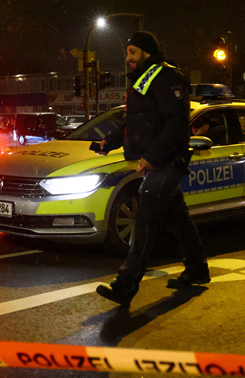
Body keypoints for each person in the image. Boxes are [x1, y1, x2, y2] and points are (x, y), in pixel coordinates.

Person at [95, 31, 210, 307]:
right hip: (158, 160)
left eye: (132, 52)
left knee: (145, 220)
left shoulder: (168, 77)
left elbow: (176, 123)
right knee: (178, 218)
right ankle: (197, 269)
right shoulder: (144, 81)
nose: (128, 58)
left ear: (147, 53)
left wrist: (152, 157)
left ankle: (126, 284)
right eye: (127, 52)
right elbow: (137, 123)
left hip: (168, 160)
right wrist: (109, 142)